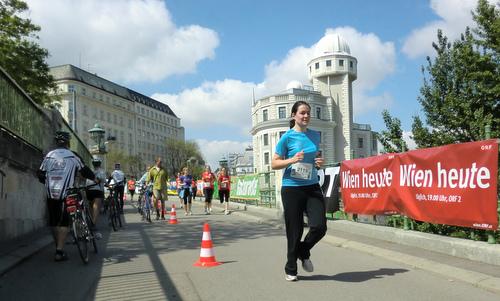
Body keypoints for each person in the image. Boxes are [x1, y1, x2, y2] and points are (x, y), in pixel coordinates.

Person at [271, 100, 326, 282]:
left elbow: (315, 158)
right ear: (294, 115)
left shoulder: (315, 135)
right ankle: (291, 267)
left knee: (319, 226)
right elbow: (274, 163)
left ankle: (303, 250)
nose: (306, 116)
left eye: (308, 113)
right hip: (292, 188)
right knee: (294, 230)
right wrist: (292, 160)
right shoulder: (287, 137)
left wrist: (319, 163)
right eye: (302, 113)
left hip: (312, 186)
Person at [37, 131, 96, 261]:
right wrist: (95, 179)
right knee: (64, 221)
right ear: (68, 143)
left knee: (54, 221)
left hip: (51, 193)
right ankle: (59, 250)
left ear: (56, 143)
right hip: (68, 192)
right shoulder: (73, 155)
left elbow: (40, 174)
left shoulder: (49, 156)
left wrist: (48, 183)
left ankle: (58, 245)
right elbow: (85, 170)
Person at [85, 158, 106, 239]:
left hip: (88, 190)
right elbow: (102, 180)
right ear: (100, 164)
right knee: (96, 207)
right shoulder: (101, 171)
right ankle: (93, 224)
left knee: (91, 206)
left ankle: (91, 221)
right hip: (97, 190)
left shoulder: (90, 171)